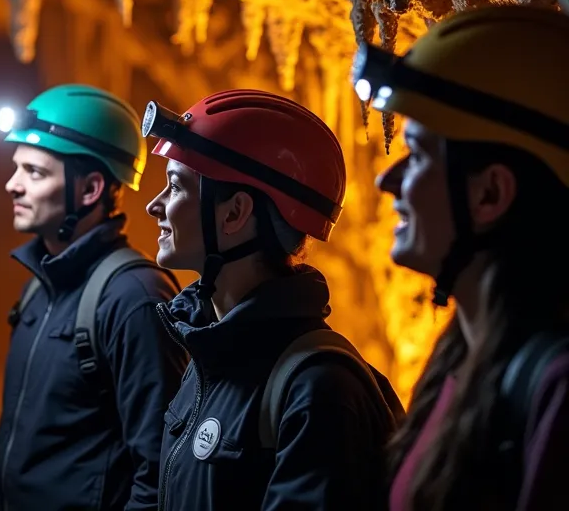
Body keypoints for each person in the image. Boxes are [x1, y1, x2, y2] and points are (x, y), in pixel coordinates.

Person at [141, 88, 403, 510]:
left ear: (234, 213)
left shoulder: (318, 390)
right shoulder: (212, 357)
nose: (156, 206)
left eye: (175, 186)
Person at [353, 4, 569, 511]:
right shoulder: (459, 357)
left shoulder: (553, 386)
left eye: (420, 154)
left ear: (490, 194)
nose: (388, 180)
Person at [0, 84, 188, 511]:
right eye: (16, 167)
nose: (11, 185)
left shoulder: (135, 299)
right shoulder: (39, 287)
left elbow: (160, 471)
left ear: (91, 188)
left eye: (34, 172)